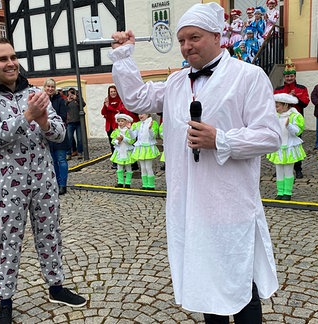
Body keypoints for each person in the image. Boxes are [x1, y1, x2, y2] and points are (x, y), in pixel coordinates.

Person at [108, 3, 281, 322]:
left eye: (194, 38)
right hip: (189, 204)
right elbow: (137, 99)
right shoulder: (176, 83)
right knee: (204, 285)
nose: (187, 46)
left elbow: (270, 135)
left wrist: (222, 140)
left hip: (230, 203)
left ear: (218, 37)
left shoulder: (248, 77)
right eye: (182, 40)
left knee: (240, 283)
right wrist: (124, 56)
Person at [0, 38, 86, 324]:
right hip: (7, 186)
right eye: (2, 59)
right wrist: (29, 115)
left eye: (13, 57)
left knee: (50, 234)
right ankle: (5, 300)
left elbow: (60, 135)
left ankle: (56, 286)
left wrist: (44, 121)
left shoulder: (34, 92)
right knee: (7, 241)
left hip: (44, 180)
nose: (10, 63)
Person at [274, 58, 310, 179]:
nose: (289, 78)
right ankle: (280, 164)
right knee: (280, 143)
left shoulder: (302, 88)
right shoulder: (278, 90)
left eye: (291, 76)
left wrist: (295, 99)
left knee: (295, 145)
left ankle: (298, 168)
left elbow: (305, 103)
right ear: (284, 77)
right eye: (287, 76)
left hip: (295, 120)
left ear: (295, 76)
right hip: (280, 120)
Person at [267, 93, 306, 201]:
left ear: (286, 105)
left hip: (290, 147)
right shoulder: (276, 116)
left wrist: (289, 125)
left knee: (288, 170)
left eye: (278, 106)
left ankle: (287, 192)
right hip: (279, 147)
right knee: (279, 170)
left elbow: (297, 132)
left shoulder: (295, 116)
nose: (276, 108)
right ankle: (280, 192)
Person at [45, 78, 70, 195]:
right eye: (48, 86)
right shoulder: (42, 100)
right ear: (44, 87)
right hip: (47, 136)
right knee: (53, 161)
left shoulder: (60, 100)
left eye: (52, 87)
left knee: (61, 160)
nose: (50, 89)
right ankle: (55, 183)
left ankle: (63, 184)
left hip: (59, 135)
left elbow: (63, 116)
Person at [101, 85, 135, 167]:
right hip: (109, 125)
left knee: (125, 143)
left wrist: (109, 106)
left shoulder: (120, 100)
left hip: (119, 125)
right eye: (111, 92)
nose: (112, 93)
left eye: (114, 91)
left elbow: (118, 111)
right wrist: (106, 105)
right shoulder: (107, 101)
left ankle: (129, 162)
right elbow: (103, 112)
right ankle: (115, 161)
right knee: (113, 144)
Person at [131, 113, 161, 190]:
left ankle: (151, 185)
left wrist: (150, 129)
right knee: (143, 167)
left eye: (143, 113)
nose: (140, 115)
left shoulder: (153, 123)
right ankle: (144, 184)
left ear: (148, 114)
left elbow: (153, 136)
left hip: (148, 148)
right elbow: (133, 137)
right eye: (139, 114)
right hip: (140, 148)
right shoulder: (137, 124)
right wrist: (129, 129)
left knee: (148, 167)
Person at [110, 113, 136, 188]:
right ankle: (120, 182)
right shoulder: (116, 131)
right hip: (119, 151)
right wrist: (117, 141)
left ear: (126, 122)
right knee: (119, 167)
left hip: (127, 151)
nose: (120, 123)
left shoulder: (128, 131)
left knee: (128, 167)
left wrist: (123, 138)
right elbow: (113, 141)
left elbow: (131, 141)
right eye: (119, 121)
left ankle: (128, 183)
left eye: (122, 121)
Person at [65, 88, 83, 159]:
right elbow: (63, 107)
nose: (71, 95)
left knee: (79, 139)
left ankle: (80, 152)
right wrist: (67, 101)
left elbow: (83, 104)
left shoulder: (78, 99)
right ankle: (68, 153)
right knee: (69, 138)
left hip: (78, 121)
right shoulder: (67, 100)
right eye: (70, 93)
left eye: (73, 93)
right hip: (70, 122)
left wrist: (77, 99)